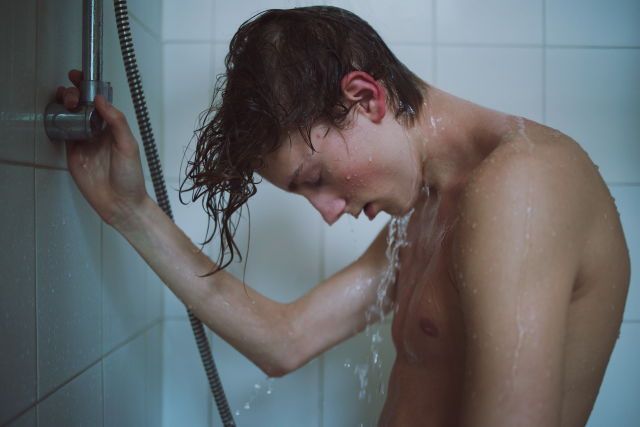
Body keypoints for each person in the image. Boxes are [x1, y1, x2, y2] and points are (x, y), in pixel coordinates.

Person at [58, 6, 630, 427]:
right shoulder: (430, 206)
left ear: (365, 97)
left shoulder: (521, 186)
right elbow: (285, 341)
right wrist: (129, 209)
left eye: (316, 180)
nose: (329, 213)